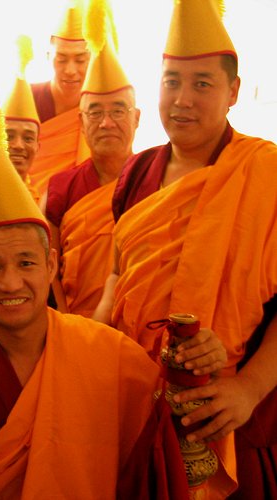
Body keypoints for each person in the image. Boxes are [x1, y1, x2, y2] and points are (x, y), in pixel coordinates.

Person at [0, 82, 229, 498]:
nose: (10, 282)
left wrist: (200, 359)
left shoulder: (105, 353)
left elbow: (165, 418)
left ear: (51, 266)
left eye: (27, 263)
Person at [97, 0, 277, 497]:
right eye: (171, 81)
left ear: (233, 91)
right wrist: (91, 335)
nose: (182, 99)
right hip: (137, 400)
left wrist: (248, 389)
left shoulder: (265, 175)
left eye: (202, 83)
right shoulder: (135, 174)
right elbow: (118, 273)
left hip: (233, 412)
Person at [42, 0, 140, 317]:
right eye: (95, 113)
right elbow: (49, 268)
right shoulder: (62, 187)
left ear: (137, 118)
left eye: (117, 111)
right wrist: (68, 324)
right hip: (75, 325)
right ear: (80, 123)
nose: (106, 123)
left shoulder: (157, 179)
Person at [28, 0, 91, 198]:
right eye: (61, 59)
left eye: (80, 60)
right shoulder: (27, 99)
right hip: (26, 205)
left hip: (80, 208)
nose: (70, 71)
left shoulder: (100, 108)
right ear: (48, 56)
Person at [3, 35, 41, 204]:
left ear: (37, 147)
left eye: (28, 138)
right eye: (9, 136)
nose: (18, 146)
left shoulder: (39, 201)